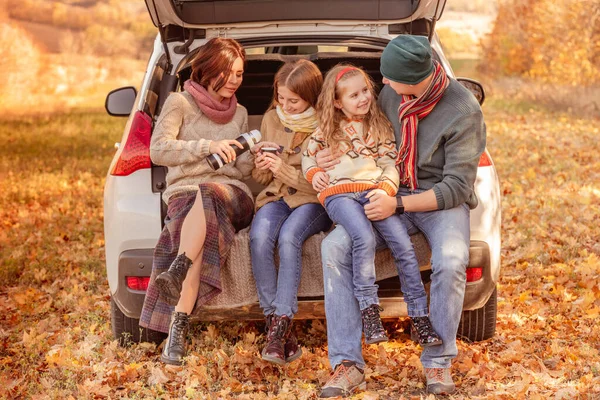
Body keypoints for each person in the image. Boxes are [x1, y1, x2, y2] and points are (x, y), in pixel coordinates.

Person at [317, 35, 486, 397]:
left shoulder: (464, 110)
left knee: (453, 259)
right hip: (385, 188)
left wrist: (397, 204)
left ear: (415, 78)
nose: (384, 87)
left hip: (437, 201)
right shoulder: (393, 93)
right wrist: (325, 159)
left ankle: (437, 362)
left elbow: (457, 187)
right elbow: (361, 135)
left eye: (390, 79)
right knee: (334, 248)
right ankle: (347, 364)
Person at [302, 64, 441, 349]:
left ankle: (419, 316)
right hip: (339, 196)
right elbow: (308, 156)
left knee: (403, 244)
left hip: (374, 191)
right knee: (362, 238)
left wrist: (386, 190)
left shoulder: (379, 125)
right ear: (338, 103)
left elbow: (390, 163)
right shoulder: (326, 130)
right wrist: (315, 173)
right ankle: (369, 311)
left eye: (365, 90)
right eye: (354, 95)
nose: (363, 98)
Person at [138, 38, 256, 366]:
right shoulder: (179, 103)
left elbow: (244, 170)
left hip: (232, 194)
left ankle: (178, 269)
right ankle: (178, 330)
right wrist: (207, 146)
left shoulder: (241, 112)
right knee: (200, 213)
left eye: (240, 74)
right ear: (208, 71)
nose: (235, 80)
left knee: (209, 194)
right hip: (185, 193)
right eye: (228, 73)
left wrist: (254, 156)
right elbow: (157, 149)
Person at [248, 59, 332, 366]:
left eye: (293, 101)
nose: (286, 105)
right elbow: (262, 179)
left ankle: (281, 318)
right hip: (276, 198)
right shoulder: (272, 118)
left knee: (288, 238)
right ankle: (278, 330)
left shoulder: (327, 124)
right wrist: (260, 167)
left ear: (311, 96)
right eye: (281, 98)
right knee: (259, 238)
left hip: (312, 201)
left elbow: (323, 186)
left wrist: (282, 169)